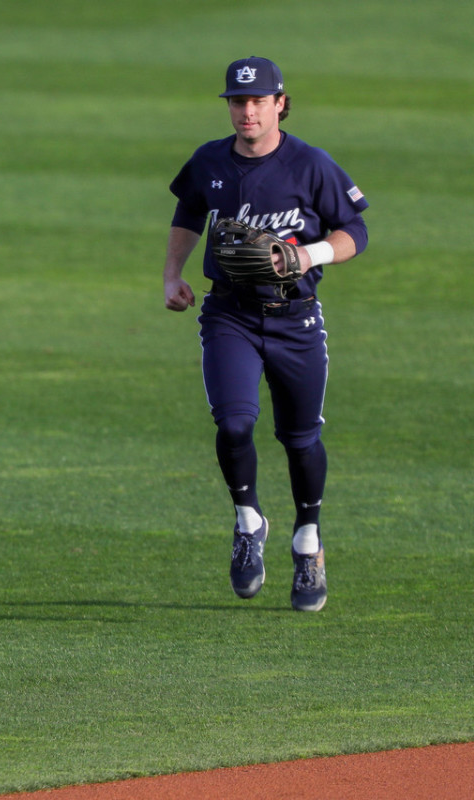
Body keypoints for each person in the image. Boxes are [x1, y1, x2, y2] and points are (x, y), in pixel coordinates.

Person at [162, 58, 369, 612]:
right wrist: (172, 275)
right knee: (233, 423)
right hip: (229, 314)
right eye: (237, 101)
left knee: (299, 438)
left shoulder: (310, 165)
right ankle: (249, 521)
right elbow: (188, 210)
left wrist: (309, 253)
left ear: (280, 103)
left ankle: (308, 540)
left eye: (258, 101)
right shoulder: (210, 160)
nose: (246, 111)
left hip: (295, 320)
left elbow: (356, 231)